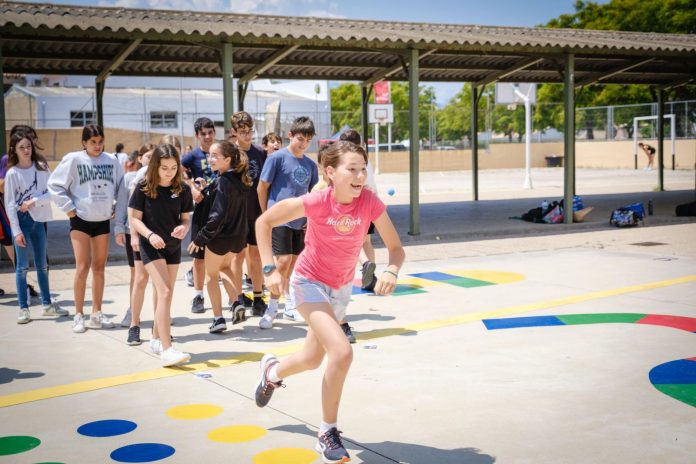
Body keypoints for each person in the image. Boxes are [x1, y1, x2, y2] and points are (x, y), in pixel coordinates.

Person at [254, 140, 405, 464]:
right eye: (352, 169)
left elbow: (396, 248)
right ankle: (328, 433)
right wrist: (269, 269)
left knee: (311, 359)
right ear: (330, 172)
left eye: (363, 169)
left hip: (339, 291)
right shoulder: (317, 201)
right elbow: (263, 222)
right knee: (342, 351)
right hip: (308, 283)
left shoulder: (369, 203)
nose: (360, 175)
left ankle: (272, 372)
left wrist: (391, 269)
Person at [48, 124, 128, 333]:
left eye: (100, 141)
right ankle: (78, 315)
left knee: (99, 268)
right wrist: (69, 209)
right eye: (93, 142)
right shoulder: (74, 159)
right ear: (84, 142)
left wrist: (116, 214)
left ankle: (96, 313)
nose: (97, 145)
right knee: (82, 267)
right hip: (81, 220)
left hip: (102, 221)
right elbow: (54, 185)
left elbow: (122, 189)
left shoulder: (111, 161)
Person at [128, 143, 193, 367]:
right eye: (164, 167)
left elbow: (185, 219)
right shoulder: (143, 186)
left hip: (173, 245)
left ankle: (156, 337)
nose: (169, 172)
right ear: (155, 165)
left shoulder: (182, 189)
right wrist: (147, 234)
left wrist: (184, 228)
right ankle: (167, 349)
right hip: (150, 244)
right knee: (164, 292)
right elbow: (135, 218)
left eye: (173, 167)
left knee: (165, 292)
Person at [257, 116, 319, 328]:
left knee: (293, 264)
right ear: (290, 135)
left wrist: (310, 219)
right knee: (281, 262)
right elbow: (262, 187)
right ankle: (272, 308)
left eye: (308, 140)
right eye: (300, 138)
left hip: (300, 222)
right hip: (279, 219)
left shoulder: (311, 165)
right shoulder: (277, 158)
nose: (303, 144)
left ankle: (290, 305)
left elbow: (312, 195)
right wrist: (267, 215)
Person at [4, 131, 68, 323]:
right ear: (14, 150)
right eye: (21, 147)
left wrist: (34, 201)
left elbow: (53, 193)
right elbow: (9, 204)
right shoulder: (12, 173)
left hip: (39, 221)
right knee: (22, 267)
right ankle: (24, 308)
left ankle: (47, 304)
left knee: (43, 265)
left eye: (28, 146)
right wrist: (16, 232)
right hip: (21, 222)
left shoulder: (41, 168)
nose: (26, 150)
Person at [188, 141, 250, 333]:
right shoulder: (237, 179)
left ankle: (218, 318)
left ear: (228, 159)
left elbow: (218, 215)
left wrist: (200, 237)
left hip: (219, 238)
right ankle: (236, 302)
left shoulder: (223, 181)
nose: (210, 159)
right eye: (209, 155)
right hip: (236, 237)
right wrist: (209, 189)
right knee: (224, 268)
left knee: (211, 276)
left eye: (215, 156)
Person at [230, 111, 268, 317]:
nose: (247, 135)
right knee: (238, 255)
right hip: (237, 213)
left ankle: (258, 296)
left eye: (250, 131)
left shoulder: (260, 154)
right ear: (234, 132)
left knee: (256, 255)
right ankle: (236, 298)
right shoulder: (230, 153)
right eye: (243, 131)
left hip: (256, 212)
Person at [0, 125, 44, 301]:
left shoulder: (38, 161)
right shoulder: (8, 161)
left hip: (34, 212)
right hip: (12, 211)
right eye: (28, 139)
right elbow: (3, 185)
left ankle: (31, 290)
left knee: (28, 256)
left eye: (32, 139)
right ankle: (23, 293)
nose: (31, 143)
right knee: (17, 253)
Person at [121, 144, 155, 346]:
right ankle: (134, 324)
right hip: (142, 235)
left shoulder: (173, 179)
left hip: (162, 237)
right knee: (140, 280)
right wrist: (133, 235)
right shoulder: (142, 175)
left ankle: (159, 329)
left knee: (161, 286)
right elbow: (133, 211)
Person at [181, 118, 216, 313]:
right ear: (197, 136)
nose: (208, 136)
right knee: (199, 257)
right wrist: (191, 188)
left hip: (221, 210)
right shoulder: (191, 155)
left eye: (210, 132)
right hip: (202, 210)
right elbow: (177, 172)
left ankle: (233, 298)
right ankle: (198, 295)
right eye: (203, 133)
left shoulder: (221, 151)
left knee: (223, 257)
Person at [339, 129, 379, 294]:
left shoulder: (347, 162)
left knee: (350, 241)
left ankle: (364, 265)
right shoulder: (365, 161)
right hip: (370, 203)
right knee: (366, 241)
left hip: (354, 204)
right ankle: (370, 276)